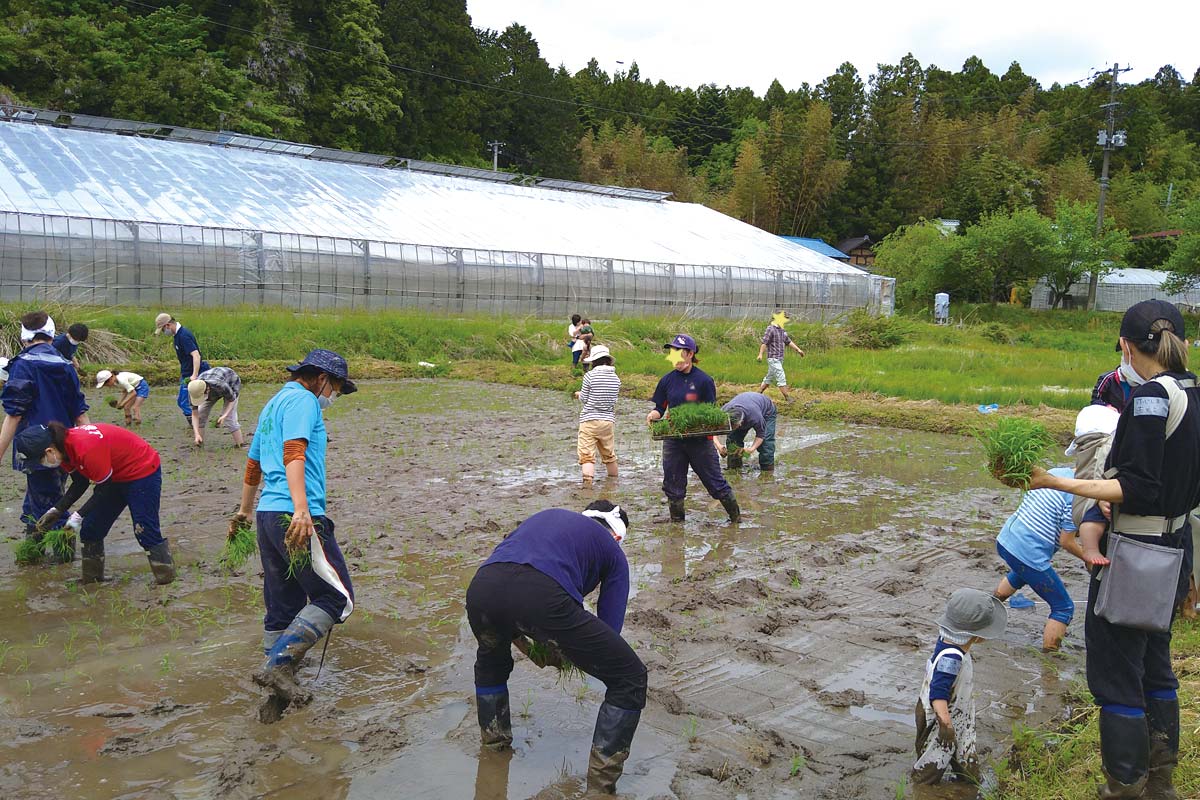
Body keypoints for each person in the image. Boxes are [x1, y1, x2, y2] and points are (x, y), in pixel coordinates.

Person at [1030, 299, 1200, 799]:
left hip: (1136, 552)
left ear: (1127, 346)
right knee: (1154, 661)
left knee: (1116, 670)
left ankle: (1125, 786)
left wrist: (1056, 484)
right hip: (1175, 546)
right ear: (1181, 342)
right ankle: (1161, 783)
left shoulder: (1150, 399)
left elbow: (1136, 486)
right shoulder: (1193, 392)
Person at [465, 501, 645, 794]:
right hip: (541, 595)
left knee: (491, 661)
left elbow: (508, 585)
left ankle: (494, 750)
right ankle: (600, 789)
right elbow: (609, 632)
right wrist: (567, 653)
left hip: (482, 588)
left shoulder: (548, 517)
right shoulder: (613, 552)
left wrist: (532, 643)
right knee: (629, 676)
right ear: (617, 537)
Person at [228, 349, 357, 724]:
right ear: (320, 377)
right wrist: (302, 510)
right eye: (334, 387)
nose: (333, 396)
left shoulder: (273, 404)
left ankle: (273, 706)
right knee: (336, 596)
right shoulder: (303, 400)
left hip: (268, 516)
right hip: (294, 515)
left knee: (282, 608)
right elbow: (294, 452)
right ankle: (279, 668)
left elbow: (253, 465)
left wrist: (244, 511)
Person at [15, 421, 174, 584]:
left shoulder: (86, 448)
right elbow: (80, 482)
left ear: (49, 450)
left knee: (144, 530)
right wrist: (57, 510)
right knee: (91, 530)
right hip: (113, 476)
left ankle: (166, 581)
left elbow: (103, 489)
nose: (41, 465)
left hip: (141, 472)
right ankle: (92, 580)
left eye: (39, 461)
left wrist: (78, 516)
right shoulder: (62, 450)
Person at [0, 312, 90, 552]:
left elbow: (13, 414)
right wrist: (89, 449)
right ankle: (33, 552)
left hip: (37, 447)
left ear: (24, 337)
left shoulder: (23, 365)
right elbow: (80, 413)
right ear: (52, 335)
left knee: (48, 505)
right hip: (66, 447)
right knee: (37, 501)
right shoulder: (65, 365)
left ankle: (62, 556)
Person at [912, 587, 1007, 787]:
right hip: (943, 718)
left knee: (964, 751)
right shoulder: (952, 658)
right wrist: (946, 726)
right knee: (934, 758)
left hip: (956, 715)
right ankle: (921, 787)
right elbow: (938, 694)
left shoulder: (947, 642)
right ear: (978, 636)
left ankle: (969, 778)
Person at [989, 467, 1087, 650]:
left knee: (1021, 573)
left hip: (1006, 539)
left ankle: (983, 612)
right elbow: (1067, 541)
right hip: (1028, 551)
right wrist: (1088, 558)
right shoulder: (1080, 493)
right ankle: (1050, 661)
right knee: (1063, 607)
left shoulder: (1057, 471)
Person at [646, 334, 740, 523]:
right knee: (673, 482)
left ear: (690, 354)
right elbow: (660, 408)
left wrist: (703, 428)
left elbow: (710, 412)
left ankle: (736, 518)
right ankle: (677, 521)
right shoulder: (667, 380)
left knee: (715, 483)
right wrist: (653, 415)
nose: (674, 357)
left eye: (678, 352)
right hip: (674, 440)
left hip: (700, 442)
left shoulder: (704, 380)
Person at [154, 312, 210, 429]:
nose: (164, 333)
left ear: (168, 325)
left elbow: (196, 355)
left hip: (192, 373)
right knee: (183, 401)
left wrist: (194, 375)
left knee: (185, 402)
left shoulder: (183, 335)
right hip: (186, 373)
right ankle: (196, 425)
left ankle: (197, 426)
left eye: (163, 330)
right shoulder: (177, 336)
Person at [574, 345, 620, 486]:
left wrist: (579, 395)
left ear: (594, 361)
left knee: (587, 456)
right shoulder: (616, 378)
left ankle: (587, 486)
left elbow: (585, 399)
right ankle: (613, 482)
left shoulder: (590, 376)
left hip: (589, 420)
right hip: (607, 421)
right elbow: (614, 400)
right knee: (609, 455)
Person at [719, 391, 778, 472]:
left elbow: (761, 435)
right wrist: (719, 446)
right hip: (746, 402)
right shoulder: (723, 412)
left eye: (734, 426)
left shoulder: (755, 417)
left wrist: (751, 449)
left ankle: (767, 471)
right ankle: (734, 469)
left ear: (740, 423)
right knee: (732, 441)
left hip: (767, 411)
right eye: (731, 426)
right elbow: (712, 430)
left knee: (766, 444)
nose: (732, 428)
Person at [188, 366, 245, 448]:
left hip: (231, 382)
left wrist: (224, 415)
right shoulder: (193, 389)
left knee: (230, 418)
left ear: (207, 390)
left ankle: (240, 445)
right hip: (211, 386)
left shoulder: (219, 385)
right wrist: (196, 434)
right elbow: (195, 414)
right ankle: (199, 443)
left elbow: (232, 399)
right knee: (200, 415)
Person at [756, 311, 805, 402]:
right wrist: (760, 354)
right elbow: (764, 343)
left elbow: (788, 341)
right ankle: (787, 397)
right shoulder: (770, 329)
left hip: (780, 358)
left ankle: (759, 392)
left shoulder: (782, 330)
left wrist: (798, 350)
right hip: (773, 358)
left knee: (770, 377)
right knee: (780, 375)